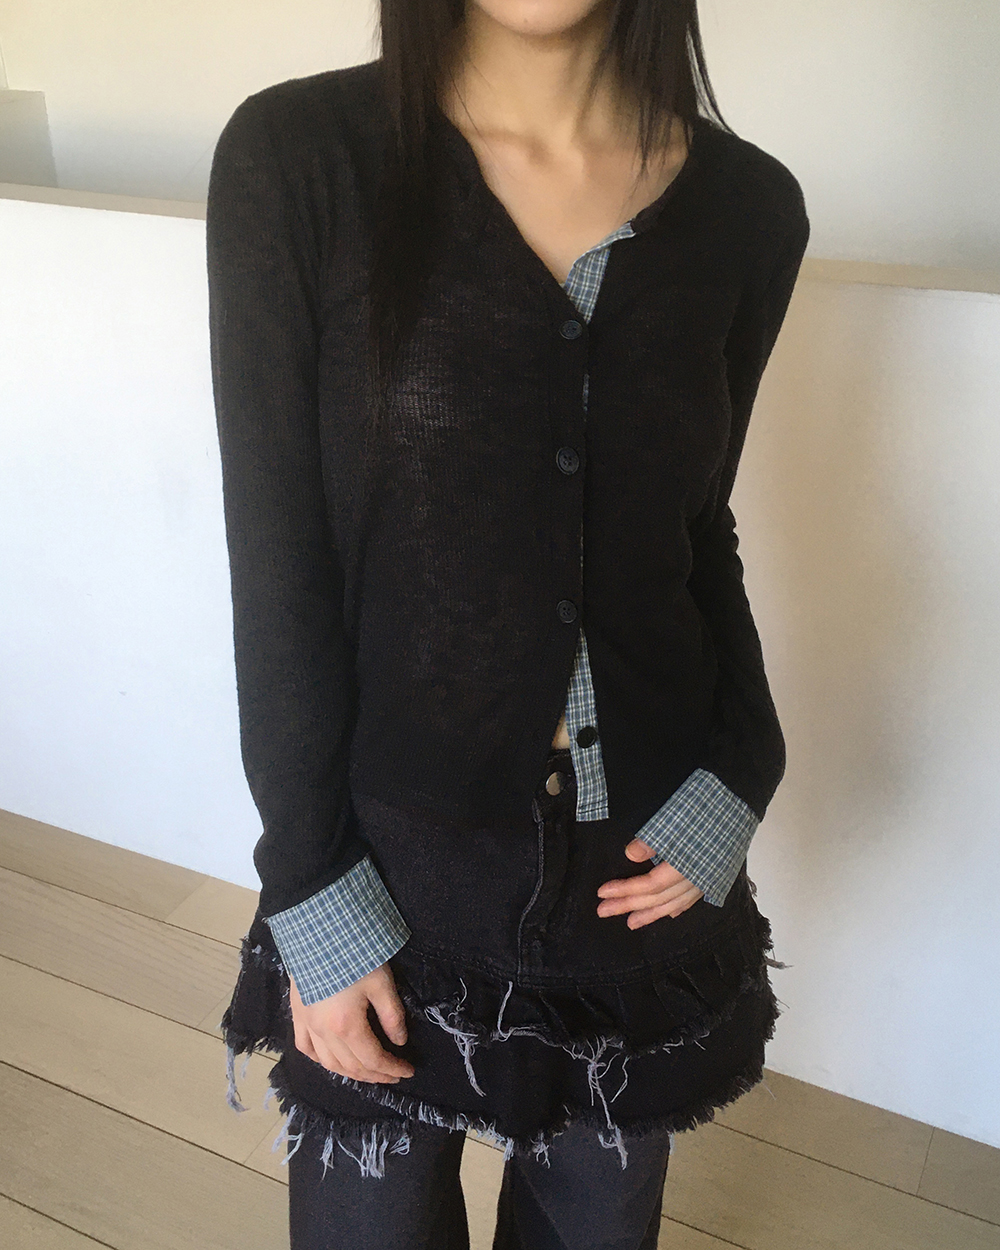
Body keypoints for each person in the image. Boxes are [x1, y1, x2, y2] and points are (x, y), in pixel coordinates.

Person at [206, 1, 809, 1245]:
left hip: (635, 872)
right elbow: (278, 558)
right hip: (386, 859)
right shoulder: (300, 159)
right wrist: (312, 883)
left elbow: (696, 527)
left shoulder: (751, 211)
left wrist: (743, 764)